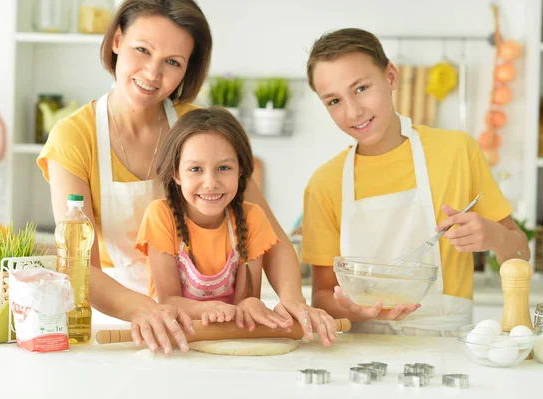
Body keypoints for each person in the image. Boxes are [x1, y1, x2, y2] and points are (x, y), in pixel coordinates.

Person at [37, 0, 334, 355]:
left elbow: (269, 233)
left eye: (172, 62)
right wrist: (149, 310)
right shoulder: (74, 137)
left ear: (187, 69)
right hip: (122, 321)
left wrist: (292, 300)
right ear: (117, 40)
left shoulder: (199, 128)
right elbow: (80, 268)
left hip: (212, 324)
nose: (152, 73)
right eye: (142, 50)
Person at [302, 28, 530, 336]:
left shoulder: (457, 152)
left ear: (391, 76)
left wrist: (495, 237)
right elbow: (322, 296)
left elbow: (520, 254)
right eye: (333, 101)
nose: (353, 111)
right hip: (361, 346)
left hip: (448, 343)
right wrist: (353, 310)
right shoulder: (324, 183)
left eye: (361, 88)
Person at [136, 107, 303, 332]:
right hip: (179, 336)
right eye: (195, 169)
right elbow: (169, 301)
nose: (211, 183)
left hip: (230, 336)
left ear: (241, 170)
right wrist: (211, 309)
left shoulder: (252, 218)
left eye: (223, 168)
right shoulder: (161, 216)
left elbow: (246, 300)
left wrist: (251, 304)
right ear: (176, 173)